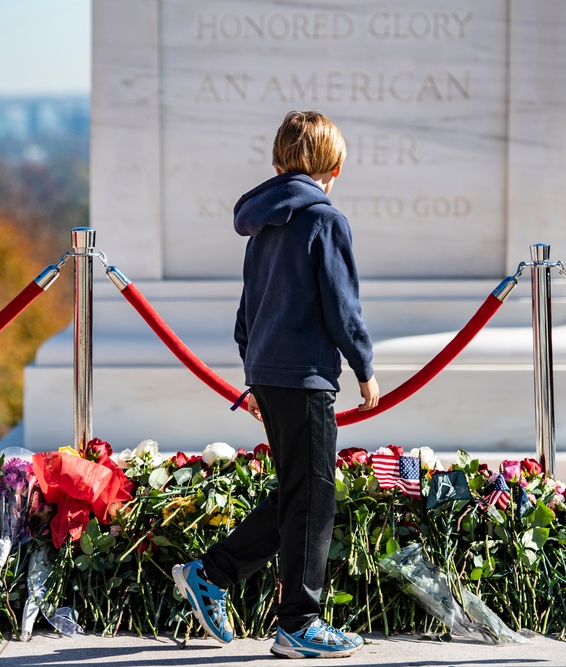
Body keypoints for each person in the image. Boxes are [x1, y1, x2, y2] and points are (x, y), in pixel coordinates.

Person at [172, 110, 380, 659]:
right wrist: (364, 367)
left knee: (298, 495)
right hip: (307, 378)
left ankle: (212, 573)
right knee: (313, 500)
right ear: (334, 167)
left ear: (278, 162)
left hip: (268, 373)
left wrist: (253, 376)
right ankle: (299, 622)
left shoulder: (262, 227)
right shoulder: (326, 222)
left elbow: (246, 317)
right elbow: (342, 306)